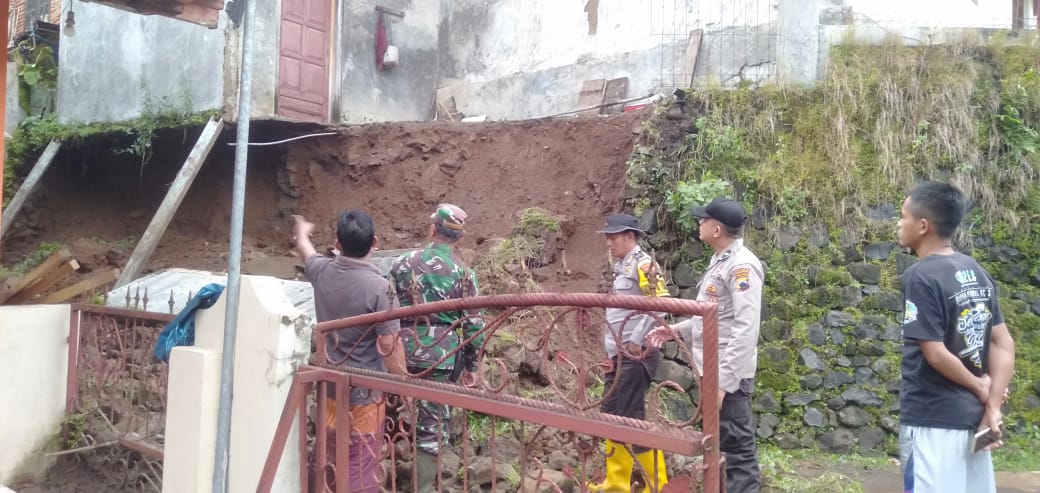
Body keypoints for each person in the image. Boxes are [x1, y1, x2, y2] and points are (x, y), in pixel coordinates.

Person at [894, 181, 1015, 493]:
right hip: (974, 420)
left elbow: (933, 352)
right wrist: (992, 406)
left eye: (903, 216)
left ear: (923, 226)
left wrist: (980, 386)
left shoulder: (921, 276)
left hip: (933, 419)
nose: (899, 222)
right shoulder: (975, 270)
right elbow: (1003, 343)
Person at [647, 197, 763, 493]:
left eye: (704, 219)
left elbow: (745, 328)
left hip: (728, 376)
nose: (699, 223)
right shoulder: (721, 261)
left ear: (717, 229)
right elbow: (713, 317)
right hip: (713, 370)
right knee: (720, 447)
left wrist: (723, 383)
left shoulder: (742, 266)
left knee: (737, 452)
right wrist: (677, 329)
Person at [292, 210, 407, 492]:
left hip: (329, 385)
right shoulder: (380, 289)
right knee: (361, 461)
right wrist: (405, 387)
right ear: (375, 242)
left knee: (330, 452)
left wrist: (303, 232)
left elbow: (305, 251)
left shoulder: (322, 271)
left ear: (337, 244)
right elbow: (389, 346)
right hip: (365, 393)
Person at [388, 203, 485, 493]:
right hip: (442, 357)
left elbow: (384, 307)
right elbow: (474, 325)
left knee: (390, 413)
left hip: (399, 351)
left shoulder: (401, 264)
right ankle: (424, 487)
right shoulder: (465, 273)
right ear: (458, 237)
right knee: (431, 426)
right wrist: (471, 367)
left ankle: (379, 475)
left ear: (433, 229)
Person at [590, 212, 670, 493]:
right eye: (608, 238)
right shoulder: (623, 266)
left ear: (630, 236)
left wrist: (637, 340)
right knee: (612, 414)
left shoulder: (644, 264)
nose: (609, 243)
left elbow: (660, 302)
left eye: (613, 237)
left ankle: (656, 484)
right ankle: (616, 482)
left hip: (637, 356)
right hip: (620, 356)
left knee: (630, 418)